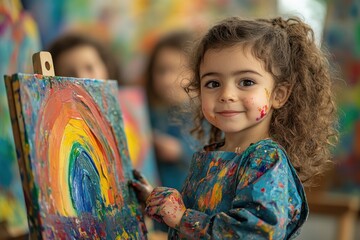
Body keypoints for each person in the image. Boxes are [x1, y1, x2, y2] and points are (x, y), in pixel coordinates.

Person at [131, 15, 338, 239]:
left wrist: (182, 217)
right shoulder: (211, 155)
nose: (227, 95)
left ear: (278, 94)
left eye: (246, 82)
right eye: (213, 83)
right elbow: (198, 219)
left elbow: (256, 233)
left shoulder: (265, 160)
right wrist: (155, 202)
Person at [145, 31, 201, 192]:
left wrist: (180, 151)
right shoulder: (149, 112)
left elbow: (216, 155)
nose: (167, 79)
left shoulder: (207, 114)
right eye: (161, 71)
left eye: (177, 70)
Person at [47, 33, 122, 84]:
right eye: (69, 74)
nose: (81, 77)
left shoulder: (130, 105)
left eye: (89, 68)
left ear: (106, 68)